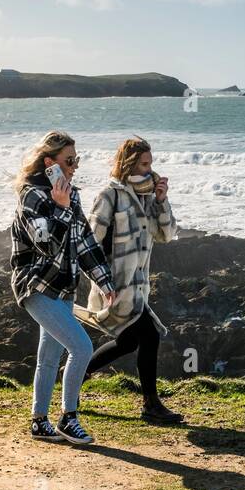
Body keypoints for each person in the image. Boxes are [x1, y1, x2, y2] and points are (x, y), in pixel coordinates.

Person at [9, 130, 116, 445]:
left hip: (64, 287)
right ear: (49, 163)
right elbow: (46, 245)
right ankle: (69, 418)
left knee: (48, 357)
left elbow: (83, 242)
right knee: (81, 347)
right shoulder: (32, 197)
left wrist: (104, 281)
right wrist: (59, 206)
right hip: (36, 286)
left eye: (76, 160)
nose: (74, 167)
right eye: (69, 161)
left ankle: (39, 422)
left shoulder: (73, 195)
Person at [77, 136, 183, 424]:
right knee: (149, 336)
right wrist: (102, 284)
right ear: (128, 164)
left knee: (127, 343)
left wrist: (162, 201)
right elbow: (88, 244)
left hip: (138, 287)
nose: (150, 170)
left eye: (151, 164)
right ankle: (151, 404)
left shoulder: (149, 196)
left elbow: (167, 234)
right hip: (115, 287)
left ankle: (74, 378)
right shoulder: (109, 195)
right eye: (144, 164)